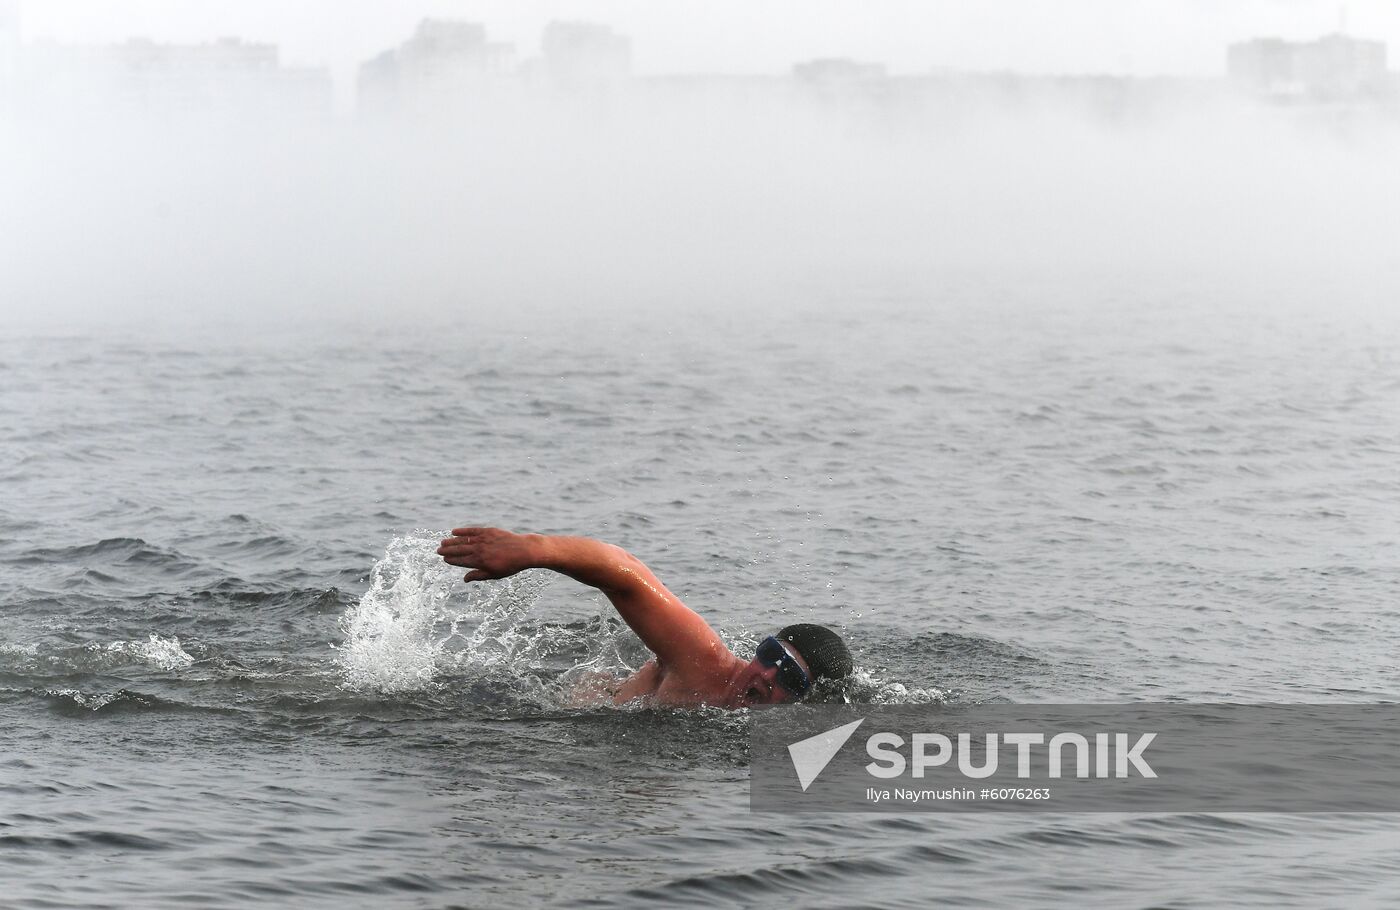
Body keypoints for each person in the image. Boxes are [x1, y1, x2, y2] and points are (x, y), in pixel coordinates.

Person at [437, 527, 853, 708]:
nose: (765, 676)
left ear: (806, 700)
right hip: (587, 705)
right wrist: (535, 550)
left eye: (789, 679)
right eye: (770, 656)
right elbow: (627, 575)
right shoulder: (703, 661)